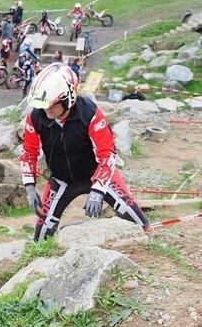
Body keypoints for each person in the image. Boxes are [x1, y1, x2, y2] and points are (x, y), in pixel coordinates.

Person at [20, 63, 149, 242]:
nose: (46, 109)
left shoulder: (90, 113)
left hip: (95, 173)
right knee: (41, 237)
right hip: (60, 179)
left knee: (139, 223)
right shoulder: (36, 117)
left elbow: (107, 154)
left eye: (51, 104)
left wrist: (98, 189)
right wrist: (29, 186)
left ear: (68, 98)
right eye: (42, 105)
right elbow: (29, 151)